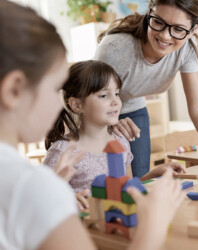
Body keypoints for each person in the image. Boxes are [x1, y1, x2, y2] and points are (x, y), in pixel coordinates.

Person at [0, 1, 184, 249]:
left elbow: (127, 184)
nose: (59, 105)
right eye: (55, 88)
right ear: (14, 90)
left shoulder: (32, 183)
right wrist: (155, 224)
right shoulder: (32, 186)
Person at [96, 0, 198, 177]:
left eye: (178, 29)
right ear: (148, 14)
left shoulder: (186, 50)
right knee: (104, 179)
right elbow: (88, 98)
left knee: (138, 180)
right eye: (158, 22)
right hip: (96, 110)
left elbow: (197, 107)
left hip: (133, 109)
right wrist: (109, 122)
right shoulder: (115, 48)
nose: (165, 36)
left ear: (192, 31)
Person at [44, 60, 186, 210]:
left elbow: (127, 187)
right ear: (77, 105)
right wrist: (69, 199)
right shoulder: (63, 151)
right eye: (104, 95)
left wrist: (155, 173)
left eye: (117, 94)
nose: (116, 102)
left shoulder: (121, 142)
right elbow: (42, 199)